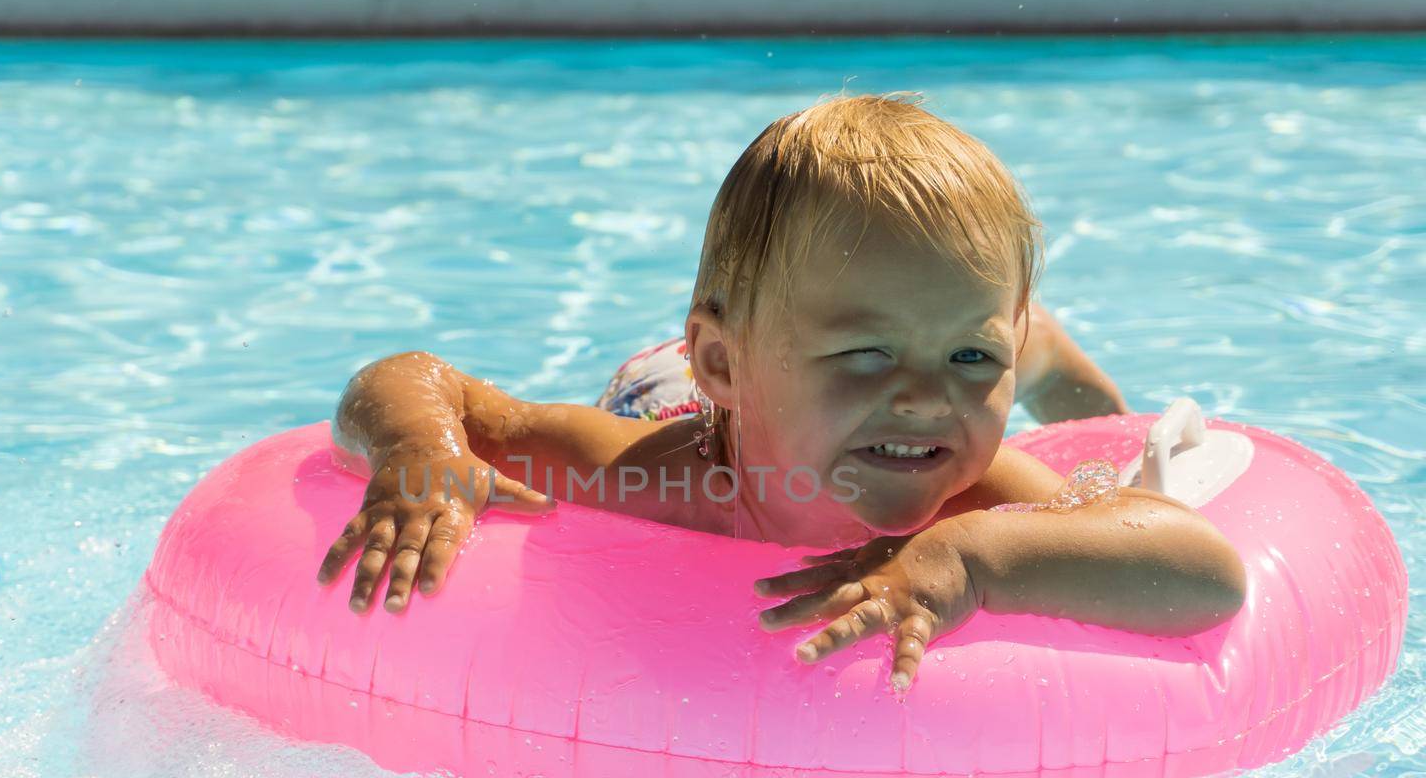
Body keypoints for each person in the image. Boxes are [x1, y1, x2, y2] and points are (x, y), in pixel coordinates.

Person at [317, 94, 1243, 692]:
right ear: (727, 363)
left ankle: (1029, 344)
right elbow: (409, 379)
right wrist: (420, 449)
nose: (926, 400)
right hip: (674, 395)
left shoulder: (975, 494)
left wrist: (974, 559)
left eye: (971, 361)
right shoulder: (654, 476)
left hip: (767, 371)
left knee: (1003, 350)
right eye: (869, 354)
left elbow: (1201, 569)